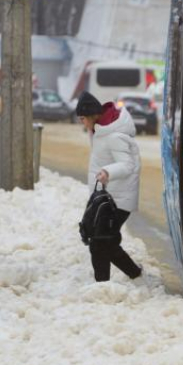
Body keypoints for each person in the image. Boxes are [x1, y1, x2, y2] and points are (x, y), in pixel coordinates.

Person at [75, 91, 143, 282]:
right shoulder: (101, 131)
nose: (82, 123)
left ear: (91, 115)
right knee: (108, 241)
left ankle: (102, 285)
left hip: (117, 199)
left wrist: (107, 172)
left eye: (82, 118)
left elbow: (128, 165)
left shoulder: (114, 136)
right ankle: (136, 275)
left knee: (99, 242)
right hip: (109, 196)